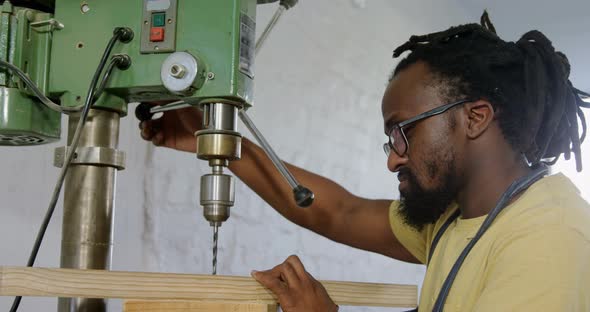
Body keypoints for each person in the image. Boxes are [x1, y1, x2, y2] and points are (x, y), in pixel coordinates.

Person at [140, 13, 590, 312]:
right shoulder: (456, 216)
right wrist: (223, 141)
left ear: (473, 117)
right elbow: (339, 211)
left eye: (403, 130)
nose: (394, 159)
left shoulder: (548, 236)